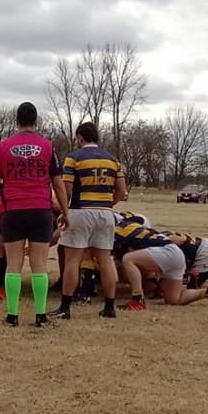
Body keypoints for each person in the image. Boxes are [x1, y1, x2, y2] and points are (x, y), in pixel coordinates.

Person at [0, 101, 69, 328]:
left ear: (16, 122)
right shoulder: (48, 147)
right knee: (39, 264)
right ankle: (40, 317)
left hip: (13, 211)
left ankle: (12, 316)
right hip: (41, 210)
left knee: (13, 264)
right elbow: (58, 184)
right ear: (36, 122)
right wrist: (66, 212)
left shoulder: (2, 147)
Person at [48, 122, 126, 320]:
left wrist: (64, 212)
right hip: (105, 213)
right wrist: (108, 204)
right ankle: (109, 306)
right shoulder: (113, 160)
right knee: (105, 260)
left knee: (73, 259)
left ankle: (65, 307)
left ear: (80, 138)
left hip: (81, 210)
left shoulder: (73, 158)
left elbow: (66, 190)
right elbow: (122, 191)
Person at [114, 220, 208, 308]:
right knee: (174, 300)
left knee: (128, 259)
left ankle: (137, 299)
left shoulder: (115, 233)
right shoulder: (130, 228)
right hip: (175, 253)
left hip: (167, 251)